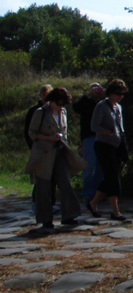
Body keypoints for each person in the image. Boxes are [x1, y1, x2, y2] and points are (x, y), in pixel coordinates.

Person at [25, 87, 85, 230]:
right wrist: (49, 138)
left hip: (59, 151)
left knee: (65, 182)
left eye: (63, 104)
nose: (60, 106)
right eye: (58, 104)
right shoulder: (40, 112)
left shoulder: (62, 112)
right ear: (51, 101)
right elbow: (32, 133)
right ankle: (45, 219)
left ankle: (69, 215)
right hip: (43, 153)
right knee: (43, 186)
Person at [87, 79, 129, 221]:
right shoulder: (101, 106)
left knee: (111, 176)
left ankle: (93, 202)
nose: (120, 96)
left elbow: (120, 127)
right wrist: (105, 131)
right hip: (104, 144)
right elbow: (94, 126)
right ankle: (115, 211)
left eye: (122, 94)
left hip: (116, 145)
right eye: (118, 93)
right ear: (110, 93)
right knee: (112, 177)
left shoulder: (118, 107)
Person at [73, 82, 105, 206]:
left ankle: (98, 194)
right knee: (88, 165)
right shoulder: (85, 102)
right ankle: (87, 193)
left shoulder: (102, 103)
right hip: (89, 137)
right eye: (93, 88)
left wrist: (102, 95)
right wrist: (88, 96)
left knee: (100, 167)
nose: (96, 90)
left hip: (102, 137)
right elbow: (76, 108)